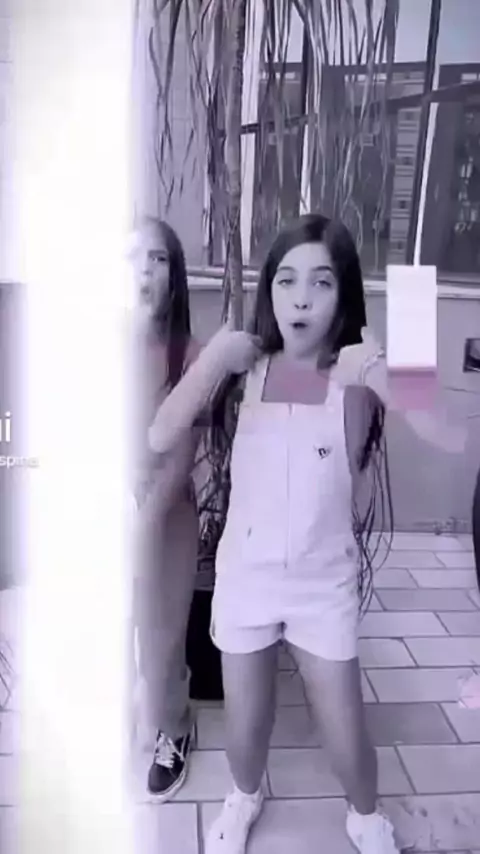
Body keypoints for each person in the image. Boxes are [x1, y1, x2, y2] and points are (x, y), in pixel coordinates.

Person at [148, 213, 399, 853]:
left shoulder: (355, 381)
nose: (301, 299)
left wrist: (381, 367)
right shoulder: (245, 370)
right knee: (245, 731)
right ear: (270, 291)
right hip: (247, 580)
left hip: (323, 586)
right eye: (287, 281)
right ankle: (244, 796)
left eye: (321, 282)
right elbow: (160, 432)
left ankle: (366, 817)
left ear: (343, 294)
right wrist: (213, 362)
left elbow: (415, 440)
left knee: (348, 739)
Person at [129, 216, 200, 801]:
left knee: (161, 637)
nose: (144, 270)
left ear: (174, 279)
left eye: (157, 259)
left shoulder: (188, 357)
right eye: (133, 258)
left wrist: (139, 526)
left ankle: (175, 729)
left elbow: (179, 465)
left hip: (166, 518)